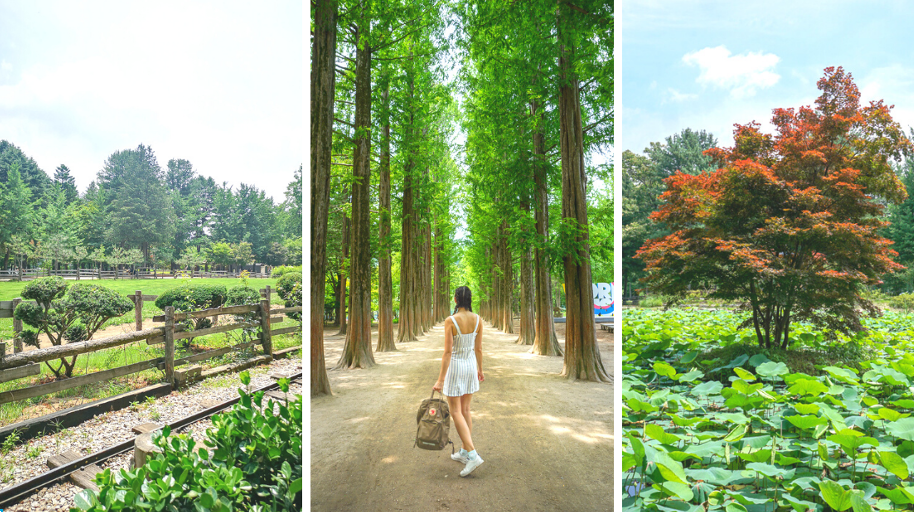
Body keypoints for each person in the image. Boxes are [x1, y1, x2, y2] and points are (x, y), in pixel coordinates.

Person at [433, 286, 485, 477]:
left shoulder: (451, 320)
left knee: (456, 411)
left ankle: (472, 454)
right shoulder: (478, 319)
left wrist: (440, 380)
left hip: (455, 367)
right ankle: (464, 450)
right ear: (470, 299)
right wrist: (480, 369)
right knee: (465, 410)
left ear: (455, 300)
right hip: (471, 365)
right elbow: (478, 349)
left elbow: (447, 352)